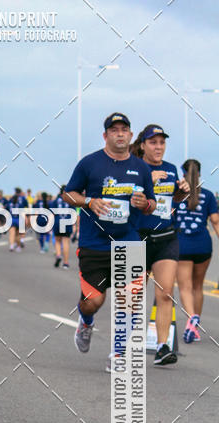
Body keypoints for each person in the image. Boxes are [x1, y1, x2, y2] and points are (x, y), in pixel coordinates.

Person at [63, 113, 156, 369]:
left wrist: (145, 203)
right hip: (95, 243)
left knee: (129, 300)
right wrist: (89, 201)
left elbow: (151, 204)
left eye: (124, 129)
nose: (119, 134)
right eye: (114, 130)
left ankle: (118, 354)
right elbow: (68, 195)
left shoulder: (141, 168)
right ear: (105, 135)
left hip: (128, 241)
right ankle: (86, 322)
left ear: (130, 135)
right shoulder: (89, 163)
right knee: (93, 302)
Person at [130, 124, 190, 364]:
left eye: (162, 142)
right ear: (143, 145)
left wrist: (182, 192)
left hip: (166, 236)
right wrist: (147, 180)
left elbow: (173, 201)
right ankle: (126, 345)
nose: (158, 147)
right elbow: (123, 199)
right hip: (137, 236)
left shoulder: (171, 169)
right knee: (133, 295)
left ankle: (162, 347)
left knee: (166, 293)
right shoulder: (133, 168)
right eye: (153, 142)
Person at [175, 159, 219, 343]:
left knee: (185, 287)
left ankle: (191, 317)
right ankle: (195, 328)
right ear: (199, 174)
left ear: (183, 174)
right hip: (203, 245)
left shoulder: (177, 195)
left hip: (182, 244)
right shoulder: (208, 196)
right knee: (198, 286)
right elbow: (215, 221)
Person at [50, 185, 73, 268]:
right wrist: (75, 226)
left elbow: (52, 213)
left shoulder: (56, 200)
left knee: (57, 241)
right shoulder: (70, 200)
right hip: (67, 222)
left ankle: (58, 255)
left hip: (57, 222)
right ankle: (65, 263)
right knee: (66, 242)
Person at [8, 186, 28, 251]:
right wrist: (26, 218)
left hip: (12, 219)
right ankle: (19, 245)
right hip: (19, 219)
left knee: (12, 233)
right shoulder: (21, 201)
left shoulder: (10, 201)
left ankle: (11, 246)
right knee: (18, 234)